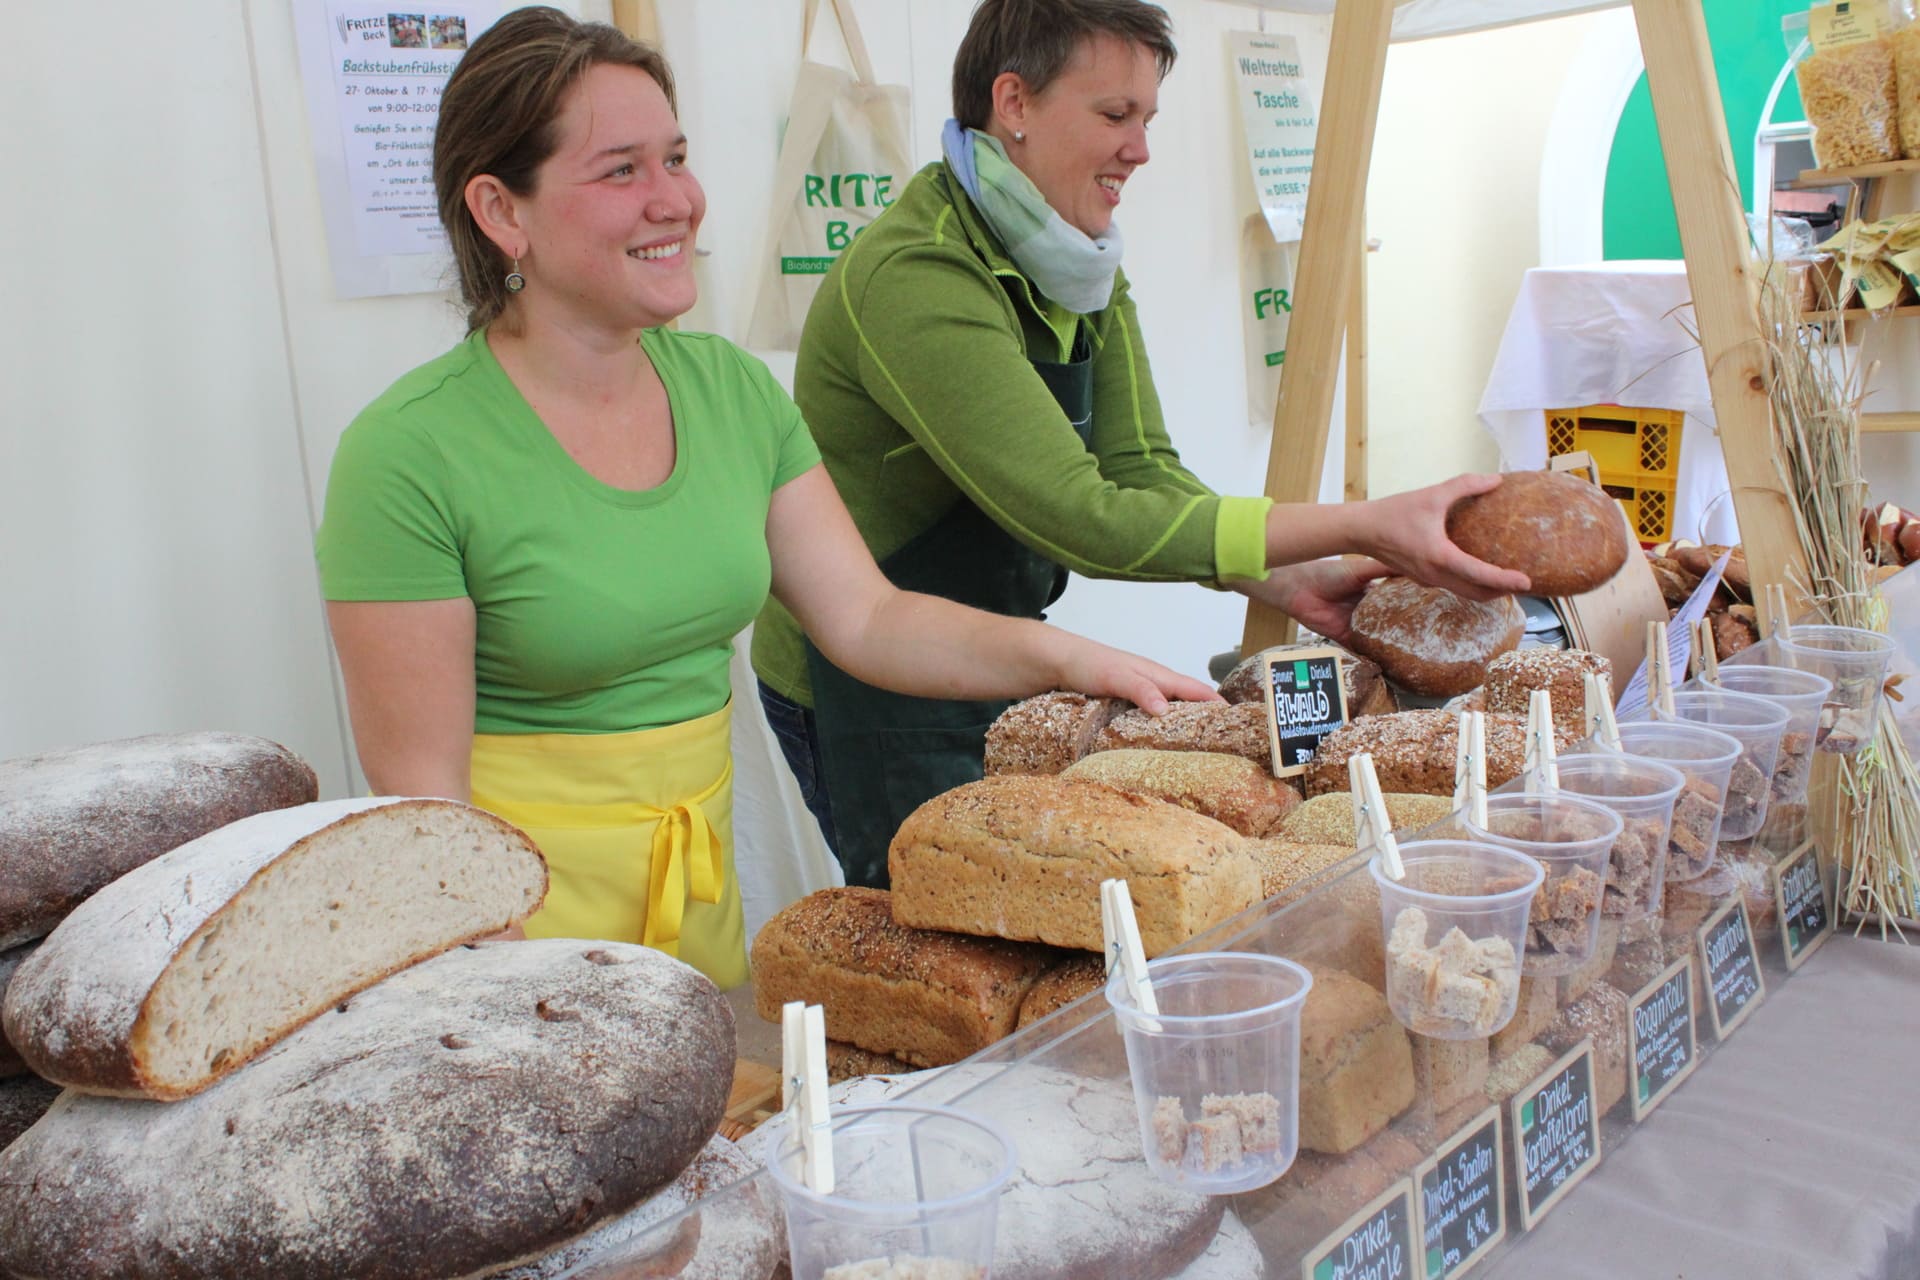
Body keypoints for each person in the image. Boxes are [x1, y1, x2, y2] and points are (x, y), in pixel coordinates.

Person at [314, 6, 1214, 990]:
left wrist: (1075, 658)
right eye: (623, 170)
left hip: (697, 933)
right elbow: (429, 817)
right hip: (519, 956)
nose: (677, 200)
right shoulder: (406, 456)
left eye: (677, 157)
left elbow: (867, 618)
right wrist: (516, 1006)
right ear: (501, 211)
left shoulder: (730, 391)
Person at [751, 0, 1531, 888]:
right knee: (947, 925)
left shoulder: (1072, 256)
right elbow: (1081, 517)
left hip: (994, 639)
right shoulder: (920, 276)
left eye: (1149, 118)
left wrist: (1271, 574)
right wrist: (1366, 524)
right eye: (1115, 115)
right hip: (865, 681)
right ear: (1015, 103)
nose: (1141, 150)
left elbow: (1139, 469)